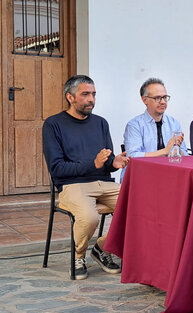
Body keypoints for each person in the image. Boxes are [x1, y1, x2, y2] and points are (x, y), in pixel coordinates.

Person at [43, 75, 130, 280]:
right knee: (89, 216)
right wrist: (94, 164)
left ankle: (102, 248)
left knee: (141, 208)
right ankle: (78, 256)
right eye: (85, 94)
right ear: (70, 97)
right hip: (72, 185)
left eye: (93, 94)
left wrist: (113, 163)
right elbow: (57, 168)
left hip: (104, 183)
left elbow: (105, 160)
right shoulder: (53, 124)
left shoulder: (101, 123)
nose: (91, 99)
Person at [121, 78, 187, 181]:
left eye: (165, 97)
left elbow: (185, 155)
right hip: (142, 176)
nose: (163, 102)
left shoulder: (174, 123)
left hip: (169, 175)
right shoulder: (134, 125)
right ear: (144, 100)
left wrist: (177, 150)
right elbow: (133, 156)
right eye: (157, 98)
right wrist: (165, 151)